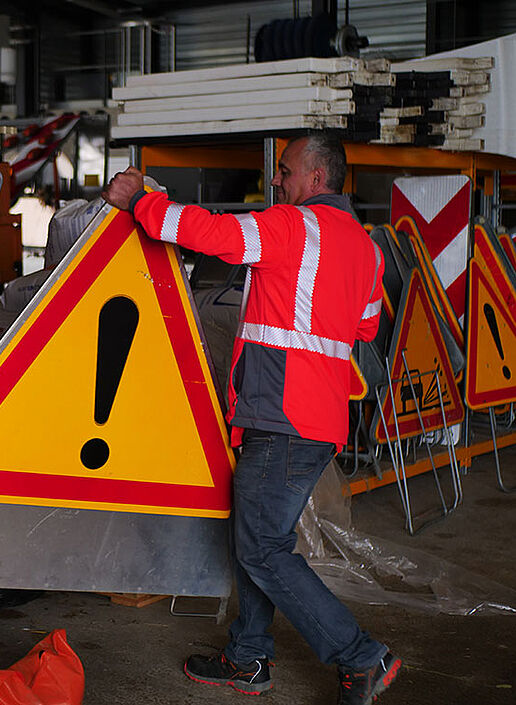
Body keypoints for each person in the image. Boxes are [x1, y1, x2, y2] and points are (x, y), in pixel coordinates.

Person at [102, 132, 399, 705]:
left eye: (285, 171)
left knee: (261, 546)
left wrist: (141, 200)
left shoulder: (292, 226)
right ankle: (247, 657)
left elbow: (211, 234)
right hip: (319, 420)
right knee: (257, 539)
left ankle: (361, 656)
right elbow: (363, 328)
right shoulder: (367, 249)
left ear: (316, 178)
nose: (276, 181)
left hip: (282, 412)